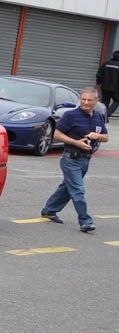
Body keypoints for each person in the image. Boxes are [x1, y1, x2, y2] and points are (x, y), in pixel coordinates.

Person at [42, 87, 108, 232]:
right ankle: (85, 221)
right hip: (71, 158)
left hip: (86, 160)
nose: (85, 103)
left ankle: (49, 210)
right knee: (78, 189)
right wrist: (76, 142)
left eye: (89, 100)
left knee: (68, 187)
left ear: (96, 101)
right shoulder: (71, 115)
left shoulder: (98, 117)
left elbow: (106, 136)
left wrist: (97, 136)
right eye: (83, 99)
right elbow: (57, 135)